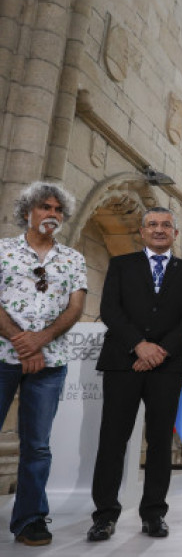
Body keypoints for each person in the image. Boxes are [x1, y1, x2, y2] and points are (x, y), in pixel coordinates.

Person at [87, 207, 182, 541]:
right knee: (113, 439)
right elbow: (110, 308)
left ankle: (153, 514)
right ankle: (104, 515)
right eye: (153, 224)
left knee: (159, 443)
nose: (159, 229)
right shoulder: (121, 266)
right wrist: (139, 345)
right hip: (123, 362)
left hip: (167, 367)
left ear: (176, 234)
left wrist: (159, 351)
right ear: (142, 231)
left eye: (166, 225)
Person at [0, 182, 86, 546]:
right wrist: (24, 344)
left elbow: (76, 307)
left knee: (37, 444)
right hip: (4, 357)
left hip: (49, 363)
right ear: (28, 212)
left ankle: (30, 520)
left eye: (57, 210)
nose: (52, 214)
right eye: (44, 207)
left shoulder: (73, 259)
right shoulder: (2, 251)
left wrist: (41, 341)